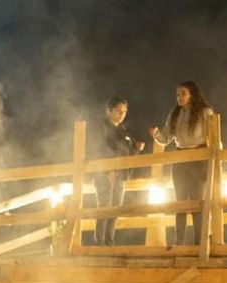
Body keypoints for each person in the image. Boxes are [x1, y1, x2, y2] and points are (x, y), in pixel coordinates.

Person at [150, 81, 215, 247]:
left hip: (198, 157)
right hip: (180, 157)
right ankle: (179, 242)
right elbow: (166, 138)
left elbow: (214, 137)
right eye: (177, 94)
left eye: (183, 93)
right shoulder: (175, 114)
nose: (179, 97)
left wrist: (214, 159)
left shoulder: (204, 112)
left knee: (197, 201)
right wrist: (157, 134)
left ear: (192, 94)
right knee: (180, 201)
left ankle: (200, 242)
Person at [92, 96, 145, 246]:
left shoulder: (123, 130)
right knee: (104, 208)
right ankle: (99, 244)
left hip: (121, 175)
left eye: (124, 111)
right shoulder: (102, 128)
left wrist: (136, 149)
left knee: (115, 209)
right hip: (104, 174)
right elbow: (100, 150)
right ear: (109, 111)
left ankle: (109, 242)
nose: (121, 114)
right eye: (118, 111)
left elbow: (126, 156)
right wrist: (108, 170)